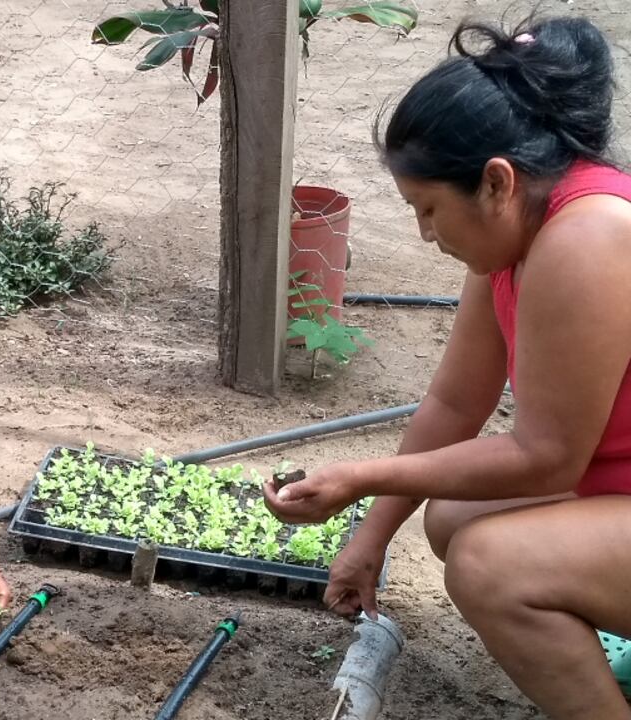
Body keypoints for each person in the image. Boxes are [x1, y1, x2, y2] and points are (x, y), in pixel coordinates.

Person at [262, 16, 631, 720]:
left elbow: (546, 458)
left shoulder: (588, 237)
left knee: (490, 565)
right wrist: (370, 536)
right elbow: (457, 407)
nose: (425, 234)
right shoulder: (520, 225)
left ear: (495, 182)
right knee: (455, 517)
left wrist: (359, 476)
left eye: (428, 209)